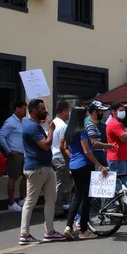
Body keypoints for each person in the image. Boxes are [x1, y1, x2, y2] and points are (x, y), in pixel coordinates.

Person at [20, 99, 65, 245]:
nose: (45, 111)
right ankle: (24, 235)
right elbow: (45, 145)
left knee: (50, 199)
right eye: (41, 109)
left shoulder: (35, 125)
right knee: (30, 201)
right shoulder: (31, 127)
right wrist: (51, 129)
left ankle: (49, 231)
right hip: (36, 168)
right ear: (33, 111)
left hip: (46, 167)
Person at [61, 107, 109, 240]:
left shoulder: (68, 131)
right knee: (87, 198)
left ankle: (68, 226)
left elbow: (63, 147)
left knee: (77, 196)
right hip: (84, 165)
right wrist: (100, 166)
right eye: (86, 114)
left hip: (74, 166)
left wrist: (73, 158)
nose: (87, 116)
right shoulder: (82, 131)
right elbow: (87, 151)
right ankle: (83, 230)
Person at [0, 101, 28, 212]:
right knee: (13, 178)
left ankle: (22, 198)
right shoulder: (10, 122)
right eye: (24, 109)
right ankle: (11, 203)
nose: (25, 111)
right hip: (15, 154)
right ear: (17, 109)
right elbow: (1, 136)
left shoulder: (23, 122)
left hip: (24, 153)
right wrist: (9, 151)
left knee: (25, 176)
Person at [51, 101, 71, 218]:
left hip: (54, 157)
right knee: (61, 185)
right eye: (68, 111)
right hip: (61, 158)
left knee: (59, 184)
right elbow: (63, 146)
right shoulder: (63, 126)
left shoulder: (52, 123)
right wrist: (68, 158)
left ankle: (61, 207)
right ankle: (58, 209)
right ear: (63, 111)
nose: (68, 114)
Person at [106, 102, 127, 187]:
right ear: (114, 112)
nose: (123, 112)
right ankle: (118, 200)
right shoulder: (114, 124)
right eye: (121, 110)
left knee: (123, 182)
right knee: (119, 184)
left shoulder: (118, 123)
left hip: (121, 157)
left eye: (124, 110)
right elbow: (125, 138)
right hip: (117, 158)